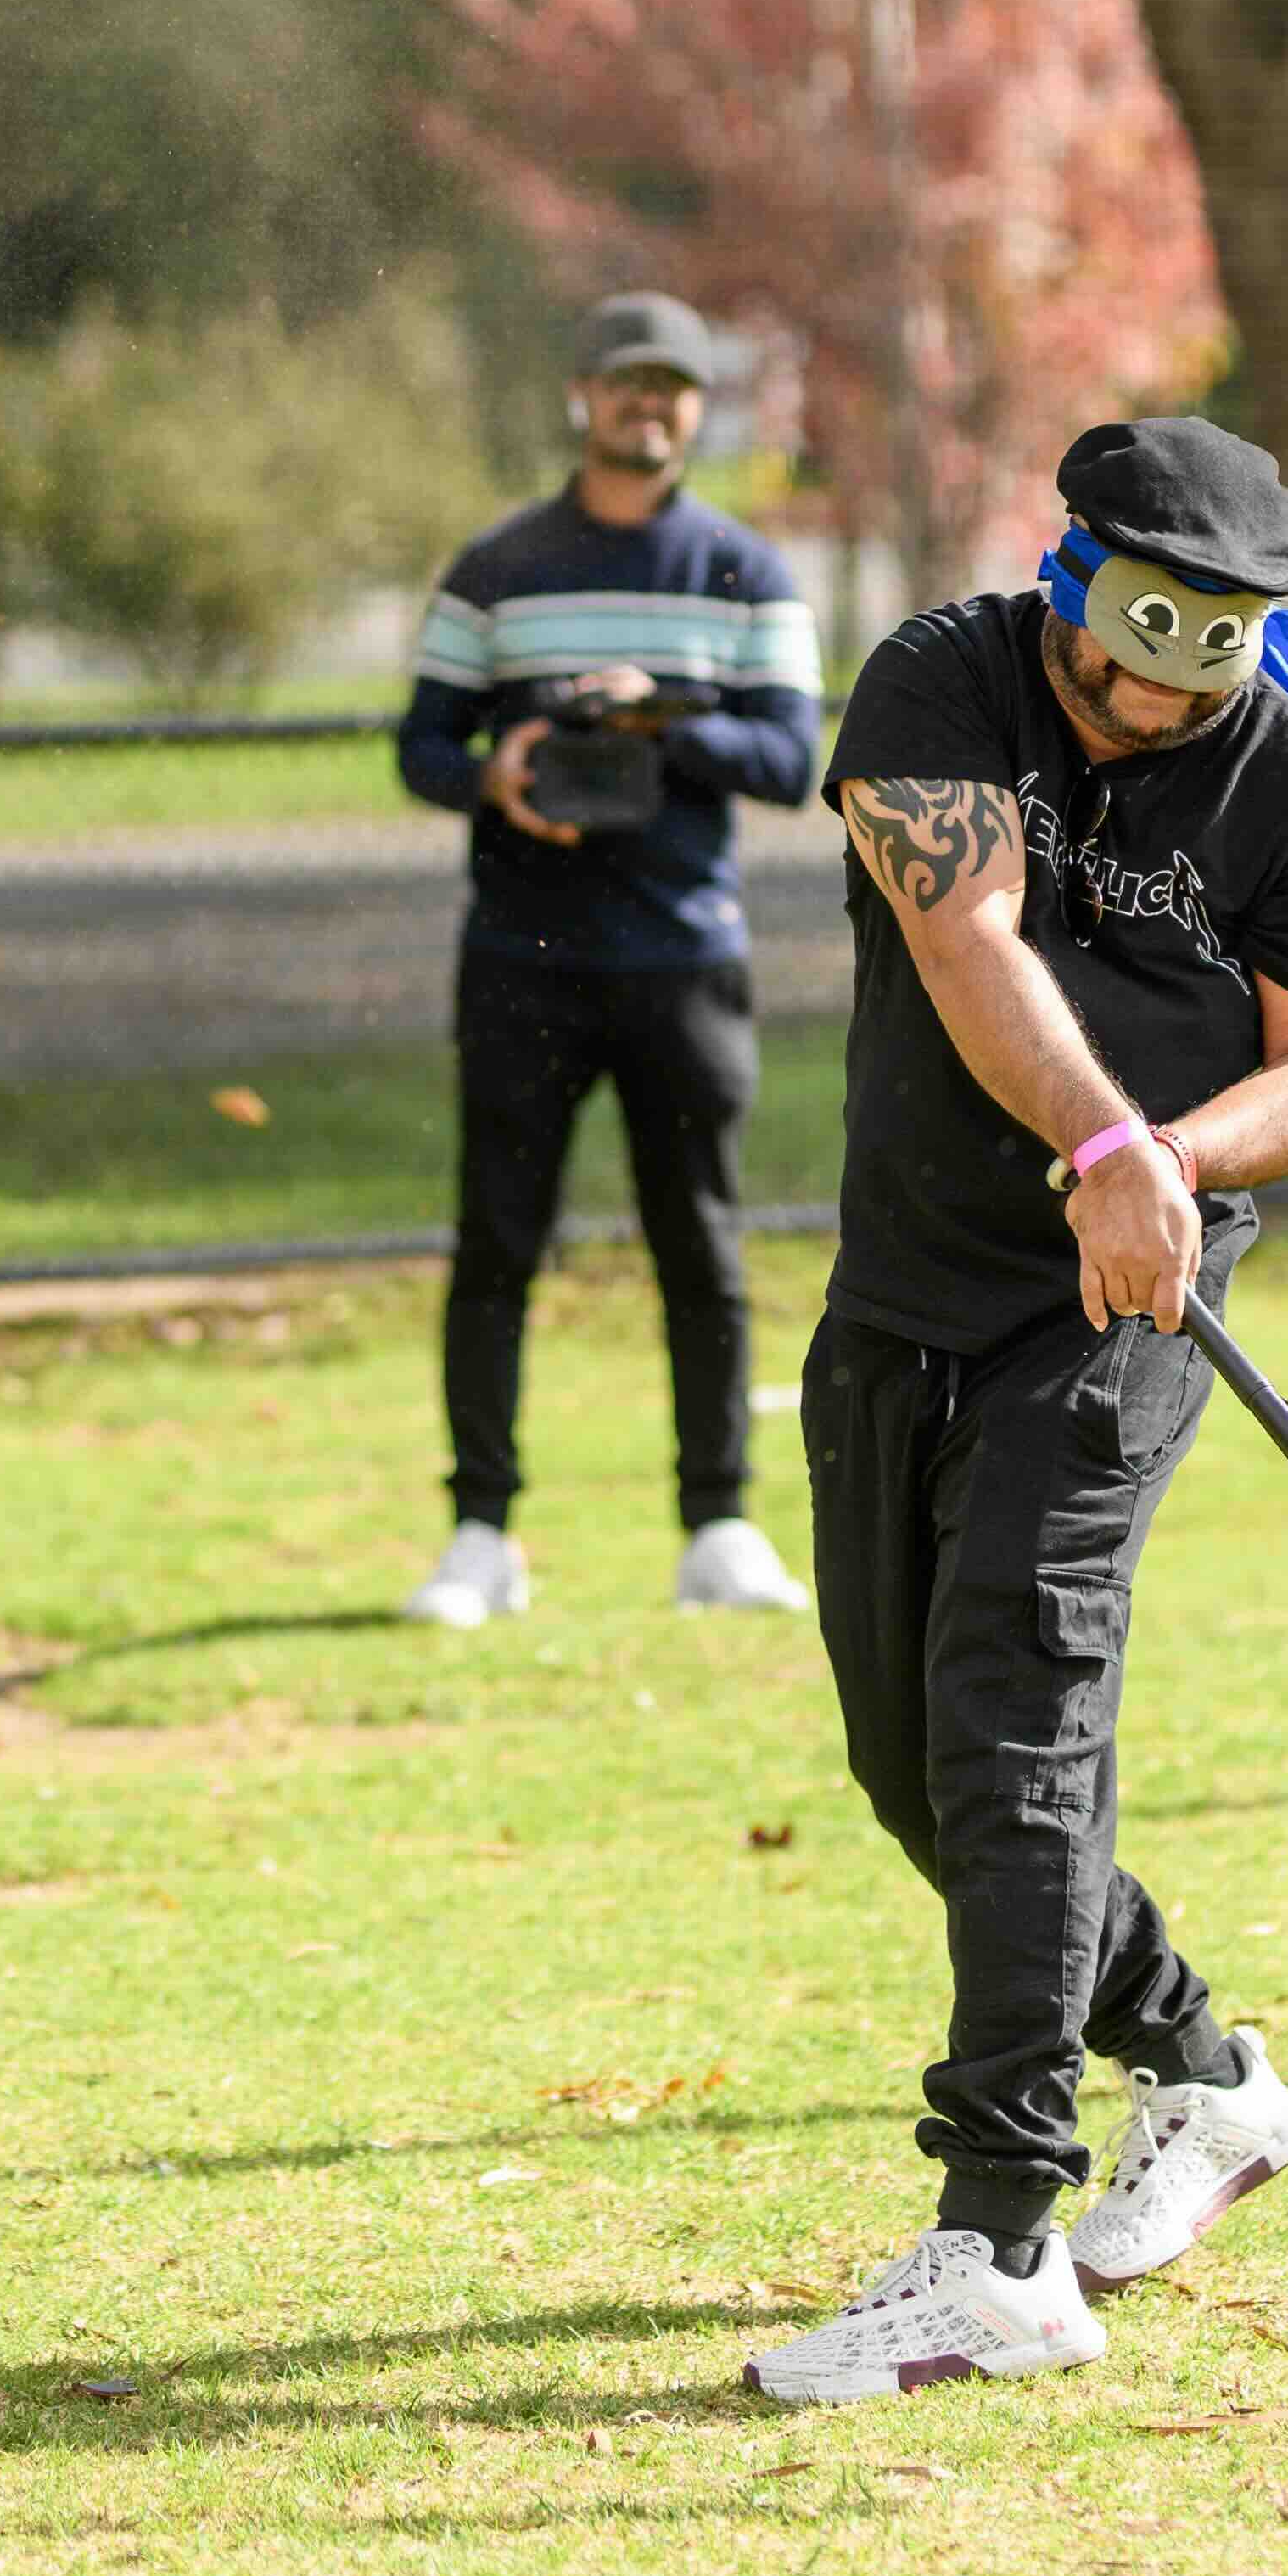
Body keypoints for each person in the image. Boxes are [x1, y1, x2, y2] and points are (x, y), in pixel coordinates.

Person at [748, 410, 1288, 2406]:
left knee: (1017, 1714)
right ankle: (1201, 2073)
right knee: (912, 1768)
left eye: (1202, 655)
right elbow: (964, 936)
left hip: (1124, 1305)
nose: (1152, 697)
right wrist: (1105, 1135)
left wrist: (1172, 1165)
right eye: (1128, 643)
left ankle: (997, 2241)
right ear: (1069, 588)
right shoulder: (936, 685)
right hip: (905, 1287)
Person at [395, 289, 825, 1626]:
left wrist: (659, 720)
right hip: (518, 957)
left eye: (674, 386)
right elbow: (420, 747)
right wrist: (499, 771)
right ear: (582, 394)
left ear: (699, 408)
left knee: (702, 1246)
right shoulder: (496, 567)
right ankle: (480, 1534)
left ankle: (720, 1526)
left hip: (685, 958)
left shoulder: (746, 572)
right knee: (497, 1246)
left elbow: (792, 760)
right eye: (628, 381)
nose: (651, 405)